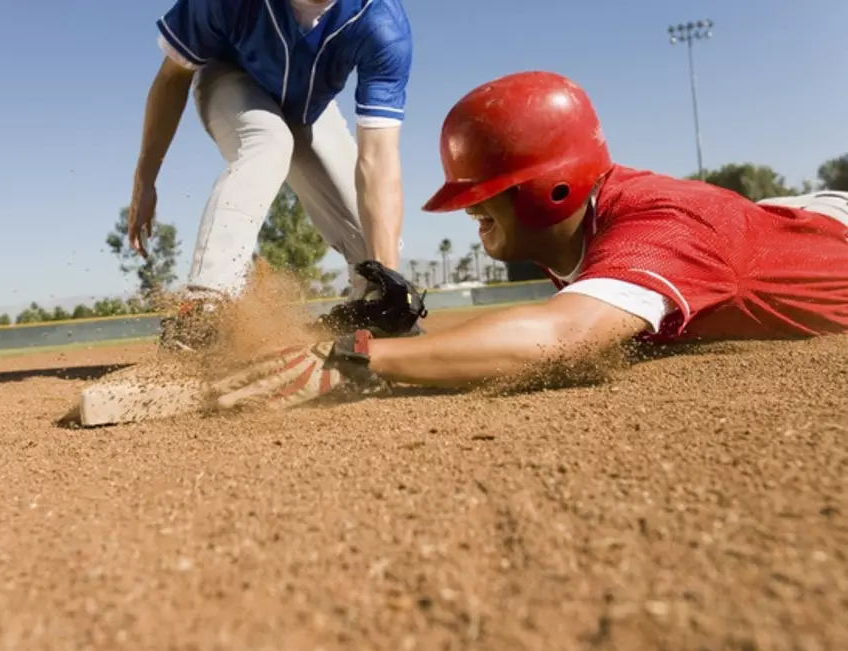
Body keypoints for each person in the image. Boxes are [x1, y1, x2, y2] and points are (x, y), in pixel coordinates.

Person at [205, 70, 848, 411]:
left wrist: (348, 357)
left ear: (553, 189)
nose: (468, 211)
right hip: (774, 223)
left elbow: (559, 336)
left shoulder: (659, 228)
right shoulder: (585, 228)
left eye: (484, 194)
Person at [128, 0, 426, 351]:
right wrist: (145, 181)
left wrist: (387, 279)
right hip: (229, 80)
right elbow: (172, 76)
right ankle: (204, 309)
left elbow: (378, 158)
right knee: (269, 142)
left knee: (373, 248)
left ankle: (365, 318)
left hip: (309, 107)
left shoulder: (381, 22)